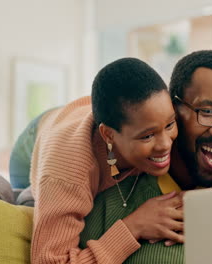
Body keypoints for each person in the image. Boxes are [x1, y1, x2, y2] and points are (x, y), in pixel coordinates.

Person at [79, 50, 212, 263]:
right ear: (172, 110)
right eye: (207, 112)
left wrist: (207, 205)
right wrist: (132, 228)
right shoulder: (110, 203)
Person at [10, 58, 185, 263]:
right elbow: (49, 260)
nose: (165, 144)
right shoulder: (68, 172)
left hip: (85, 112)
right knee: (31, 200)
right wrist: (134, 226)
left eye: (170, 125)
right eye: (147, 136)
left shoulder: (159, 117)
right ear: (109, 135)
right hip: (36, 141)